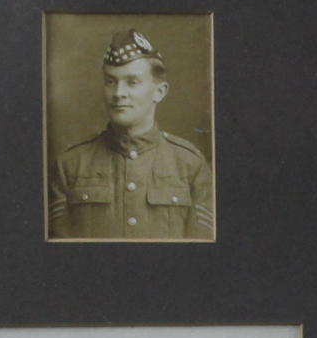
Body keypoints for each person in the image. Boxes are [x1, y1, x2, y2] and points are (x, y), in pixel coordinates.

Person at [48, 29, 216, 240]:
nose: (118, 94)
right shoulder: (70, 165)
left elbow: (202, 253)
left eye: (132, 82)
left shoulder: (190, 164)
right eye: (110, 81)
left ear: (159, 91)